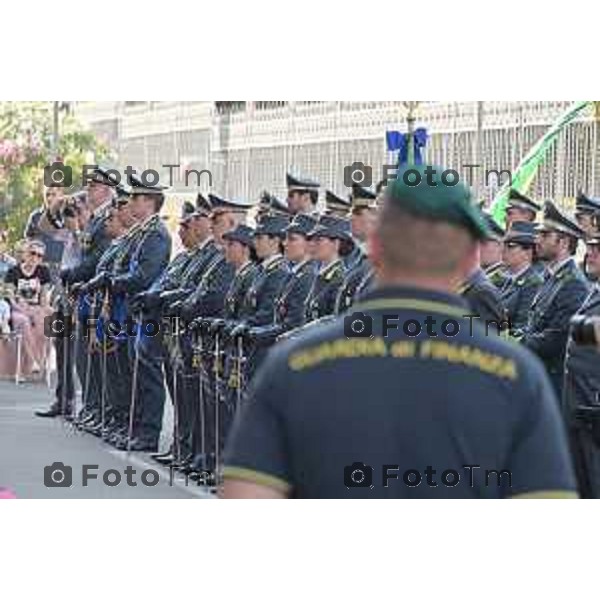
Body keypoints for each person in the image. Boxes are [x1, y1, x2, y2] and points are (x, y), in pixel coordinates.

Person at [221, 164, 578, 499]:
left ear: (374, 247)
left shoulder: (295, 366)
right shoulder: (514, 376)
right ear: (469, 254)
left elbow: (246, 495)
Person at [521, 201, 589, 397]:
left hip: (554, 386)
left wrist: (516, 340)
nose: (537, 240)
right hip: (539, 377)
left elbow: (556, 340)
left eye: (545, 235)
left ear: (564, 242)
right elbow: (533, 324)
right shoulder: (551, 277)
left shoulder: (573, 284)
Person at [563, 232, 600, 498]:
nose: (591, 254)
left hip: (593, 407)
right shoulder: (594, 290)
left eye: (598, 249)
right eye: (590, 247)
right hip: (579, 406)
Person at [4, 240, 52, 376]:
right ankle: (33, 362)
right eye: (32, 253)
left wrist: (47, 309)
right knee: (24, 321)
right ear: (25, 254)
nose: (35, 257)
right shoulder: (13, 271)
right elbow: (11, 299)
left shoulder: (43, 271)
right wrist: (24, 310)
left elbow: (43, 300)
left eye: (39, 256)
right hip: (16, 310)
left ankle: (43, 364)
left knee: (46, 321)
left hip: (35, 309)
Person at [500, 222, 544, 335]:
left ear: (528, 252)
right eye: (503, 245)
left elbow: (522, 328)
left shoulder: (533, 283)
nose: (503, 250)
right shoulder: (510, 279)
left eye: (510, 246)